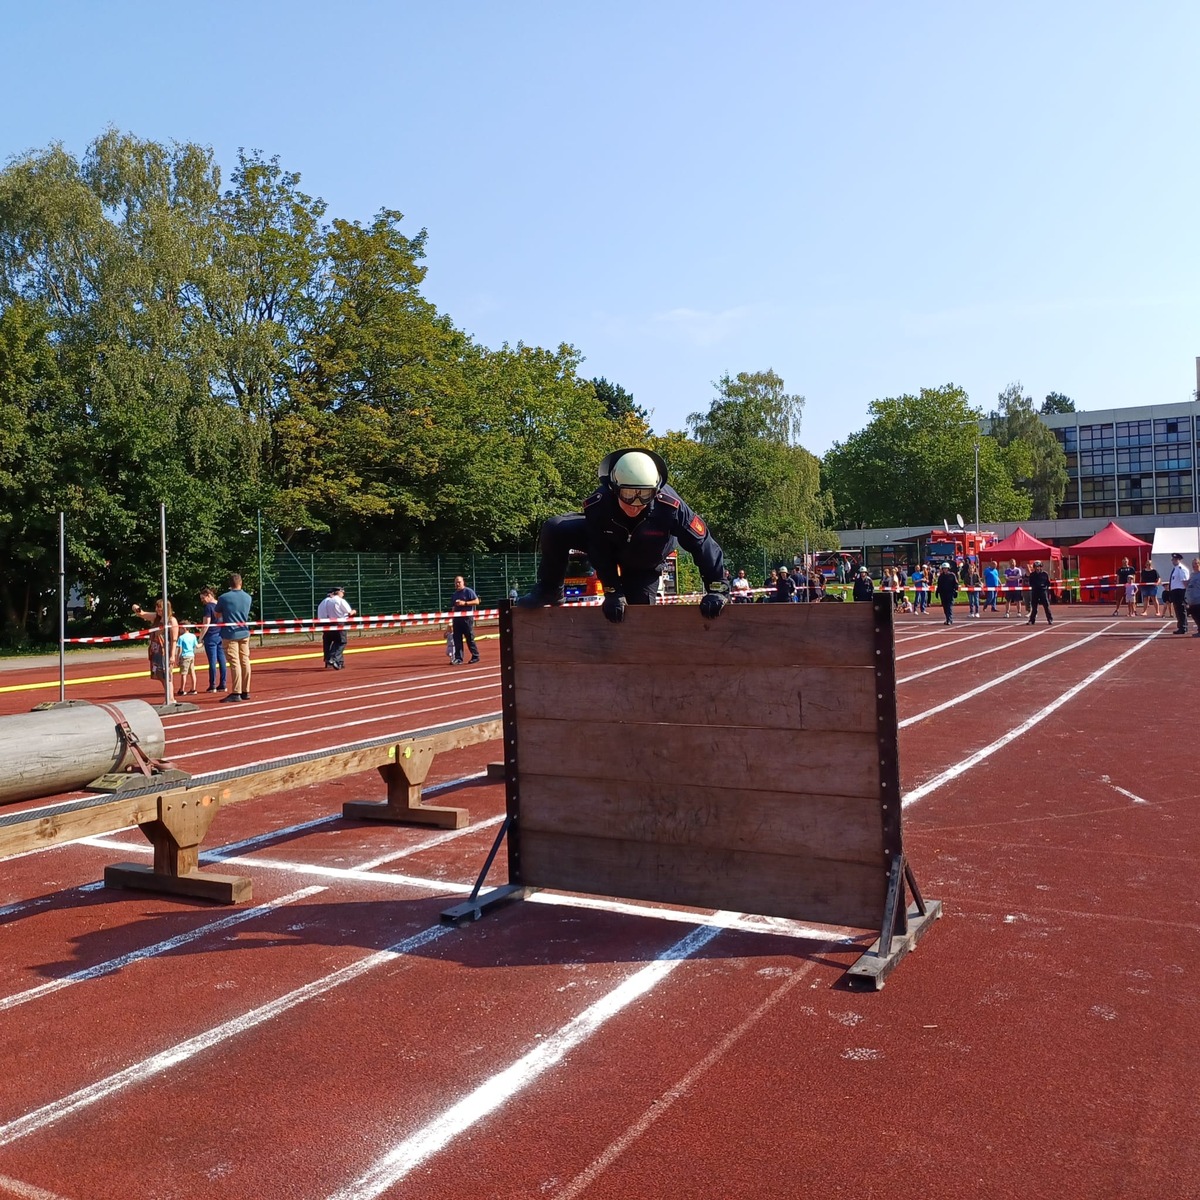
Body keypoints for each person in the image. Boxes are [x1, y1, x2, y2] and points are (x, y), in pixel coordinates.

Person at [517, 448, 726, 621]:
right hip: (610, 544)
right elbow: (597, 550)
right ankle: (550, 589)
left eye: (644, 495)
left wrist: (717, 588)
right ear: (614, 487)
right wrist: (612, 590)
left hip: (645, 560)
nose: (635, 504)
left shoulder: (670, 507)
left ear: (655, 490)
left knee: (636, 618)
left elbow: (702, 542)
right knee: (556, 528)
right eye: (628, 494)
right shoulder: (598, 505)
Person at [216, 573, 253, 701]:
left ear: (229, 584)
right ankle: (245, 690)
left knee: (235, 662)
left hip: (230, 633)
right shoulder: (248, 597)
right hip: (244, 632)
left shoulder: (223, 598)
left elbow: (217, 613)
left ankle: (236, 692)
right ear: (240, 583)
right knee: (245, 661)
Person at [132, 599, 179, 687]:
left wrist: (172, 655)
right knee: (159, 674)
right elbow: (141, 614)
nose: (157, 610)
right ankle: (168, 697)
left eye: (160, 609)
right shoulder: (155, 617)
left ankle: (171, 698)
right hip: (156, 651)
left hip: (166, 651)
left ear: (166, 608)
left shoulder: (172, 620)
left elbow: (174, 640)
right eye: (157, 608)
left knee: (167, 676)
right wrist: (136, 608)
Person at [196, 586, 228, 693]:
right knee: (222, 659)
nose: (202, 601)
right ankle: (223, 684)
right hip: (220, 634)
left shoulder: (208, 607)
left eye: (203, 598)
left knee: (212, 661)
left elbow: (206, 624)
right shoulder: (220, 605)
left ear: (209, 596)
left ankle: (212, 685)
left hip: (211, 636)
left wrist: (200, 638)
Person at [317, 586, 356, 670]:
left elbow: (320, 615)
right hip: (338, 623)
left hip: (325, 623)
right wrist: (353, 611)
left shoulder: (323, 602)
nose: (343, 593)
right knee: (341, 642)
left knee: (328, 642)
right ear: (338, 592)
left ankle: (334, 661)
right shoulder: (339, 600)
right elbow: (348, 612)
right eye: (342, 592)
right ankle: (333, 658)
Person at [449, 574, 480, 665]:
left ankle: (475, 656)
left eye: (459, 582)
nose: (457, 584)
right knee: (457, 639)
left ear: (463, 582)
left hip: (467, 619)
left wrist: (465, 603)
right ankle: (459, 658)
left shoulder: (468, 591)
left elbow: (477, 601)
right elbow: (453, 608)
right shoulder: (454, 595)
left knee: (469, 637)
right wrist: (452, 619)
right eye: (456, 583)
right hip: (457, 619)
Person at [1167, 553, 1190, 635]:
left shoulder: (1181, 569)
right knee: (1178, 610)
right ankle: (1181, 626)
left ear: (1178, 560)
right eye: (1173, 559)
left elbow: (1185, 582)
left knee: (1181, 609)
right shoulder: (1176, 568)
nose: (1172, 561)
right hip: (1175, 591)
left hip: (1180, 591)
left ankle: (1183, 627)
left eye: (1174, 559)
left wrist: (1185, 593)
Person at [1027, 560, 1053, 625]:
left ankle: (1050, 619)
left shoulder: (1045, 574)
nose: (1037, 568)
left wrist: (1045, 589)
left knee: (1046, 606)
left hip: (1043, 591)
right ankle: (1031, 620)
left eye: (1038, 566)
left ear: (1041, 567)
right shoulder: (1032, 575)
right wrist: (1035, 587)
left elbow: (1048, 583)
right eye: (1036, 567)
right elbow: (1030, 583)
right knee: (1034, 607)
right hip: (1035, 591)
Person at [176, 622, 199, 694]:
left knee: (184, 673)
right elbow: (197, 646)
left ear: (184, 628)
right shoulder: (193, 636)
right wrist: (202, 643)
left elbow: (180, 649)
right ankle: (193, 688)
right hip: (191, 655)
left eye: (180, 628)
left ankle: (182, 689)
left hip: (185, 656)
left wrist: (177, 658)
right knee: (192, 672)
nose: (179, 630)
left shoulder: (181, 637)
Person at [1186, 559, 1200, 636]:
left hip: (1199, 599)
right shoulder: (1192, 574)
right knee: (1195, 616)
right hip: (1192, 600)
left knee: (1198, 616)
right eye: (1194, 563)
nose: (1196, 565)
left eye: (1197, 563)